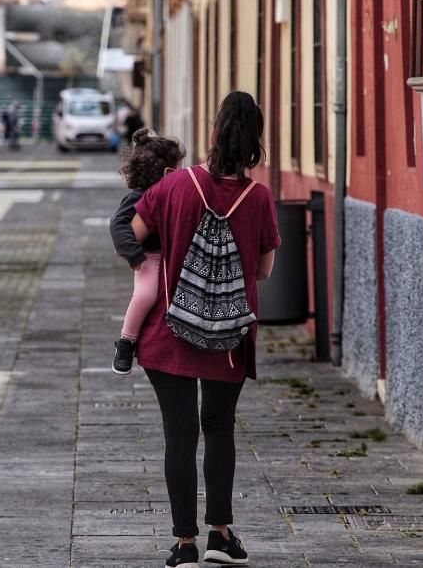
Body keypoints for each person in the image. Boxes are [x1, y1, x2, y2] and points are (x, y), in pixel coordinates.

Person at [129, 91, 280, 567]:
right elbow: (263, 271)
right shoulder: (259, 198)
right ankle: (221, 536)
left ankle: (183, 545)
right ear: (256, 142)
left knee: (179, 434)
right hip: (228, 340)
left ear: (212, 135)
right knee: (219, 430)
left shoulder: (177, 185)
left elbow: (131, 235)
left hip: (168, 332)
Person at [109, 128, 186, 375]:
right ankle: (126, 342)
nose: (182, 172)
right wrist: (134, 256)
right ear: (166, 171)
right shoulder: (137, 197)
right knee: (145, 295)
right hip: (149, 257)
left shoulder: (174, 193)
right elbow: (118, 224)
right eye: (178, 167)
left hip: (173, 255)